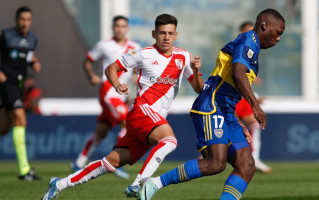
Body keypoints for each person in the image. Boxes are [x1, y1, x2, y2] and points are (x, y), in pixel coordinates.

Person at [42, 13, 203, 200]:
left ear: (176, 35)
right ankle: (139, 183)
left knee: (110, 163)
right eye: (162, 33)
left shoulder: (184, 57)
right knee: (170, 141)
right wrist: (117, 84)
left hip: (152, 122)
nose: (166, 37)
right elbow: (111, 68)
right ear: (154, 34)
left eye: (170, 33)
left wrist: (197, 72)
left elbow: (198, 88)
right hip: (142, 111)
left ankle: (59, 184)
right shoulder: (144, 54)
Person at [139, 8, 285, 200]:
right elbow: (238, 73)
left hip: (225, 112)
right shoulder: (247, 40)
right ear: (264, 26)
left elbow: (230, 88)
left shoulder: (253, 49)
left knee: (246, 165)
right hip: (210, 107)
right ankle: (153, 183)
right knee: (216, 163)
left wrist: (237, 119)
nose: (278, 39)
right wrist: (256, 107)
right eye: (278, 33)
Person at [70, 15, 141, 179]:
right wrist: (91, 76)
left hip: (122, 95)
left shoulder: (135, 46)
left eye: (123, 26)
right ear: (113, 28)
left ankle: (78, 162)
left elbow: (136, 67)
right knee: (127, 123)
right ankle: (117, 161)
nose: (119, 29)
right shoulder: (104, 45)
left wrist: (135, 76)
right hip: (108, 92)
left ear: (127, 28)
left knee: (101, 131)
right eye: (117, 26)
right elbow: (87, 60)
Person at [0, 6, 41, 181]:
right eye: (22, 19)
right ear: (16, 20)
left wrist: (35, 62)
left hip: (18, 85)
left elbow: (29, 56)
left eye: (28, 19)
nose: (25, 23)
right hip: (5, 82)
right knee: (20, 118)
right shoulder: (5, 35)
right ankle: (24, 170)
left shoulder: (32, 39)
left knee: (4, 127)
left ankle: (24, 170)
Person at [236, 21, 271, 173]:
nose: (251, 35)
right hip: (232, 95)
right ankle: (253, 158)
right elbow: (237, 76)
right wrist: (255, 99)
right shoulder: (239, 47)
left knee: (249, 124)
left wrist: (255, 97)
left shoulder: (251, 50)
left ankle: (253, 158)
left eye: (253, 32)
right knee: (254, 121)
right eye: (247, 32)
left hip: (237, 96)